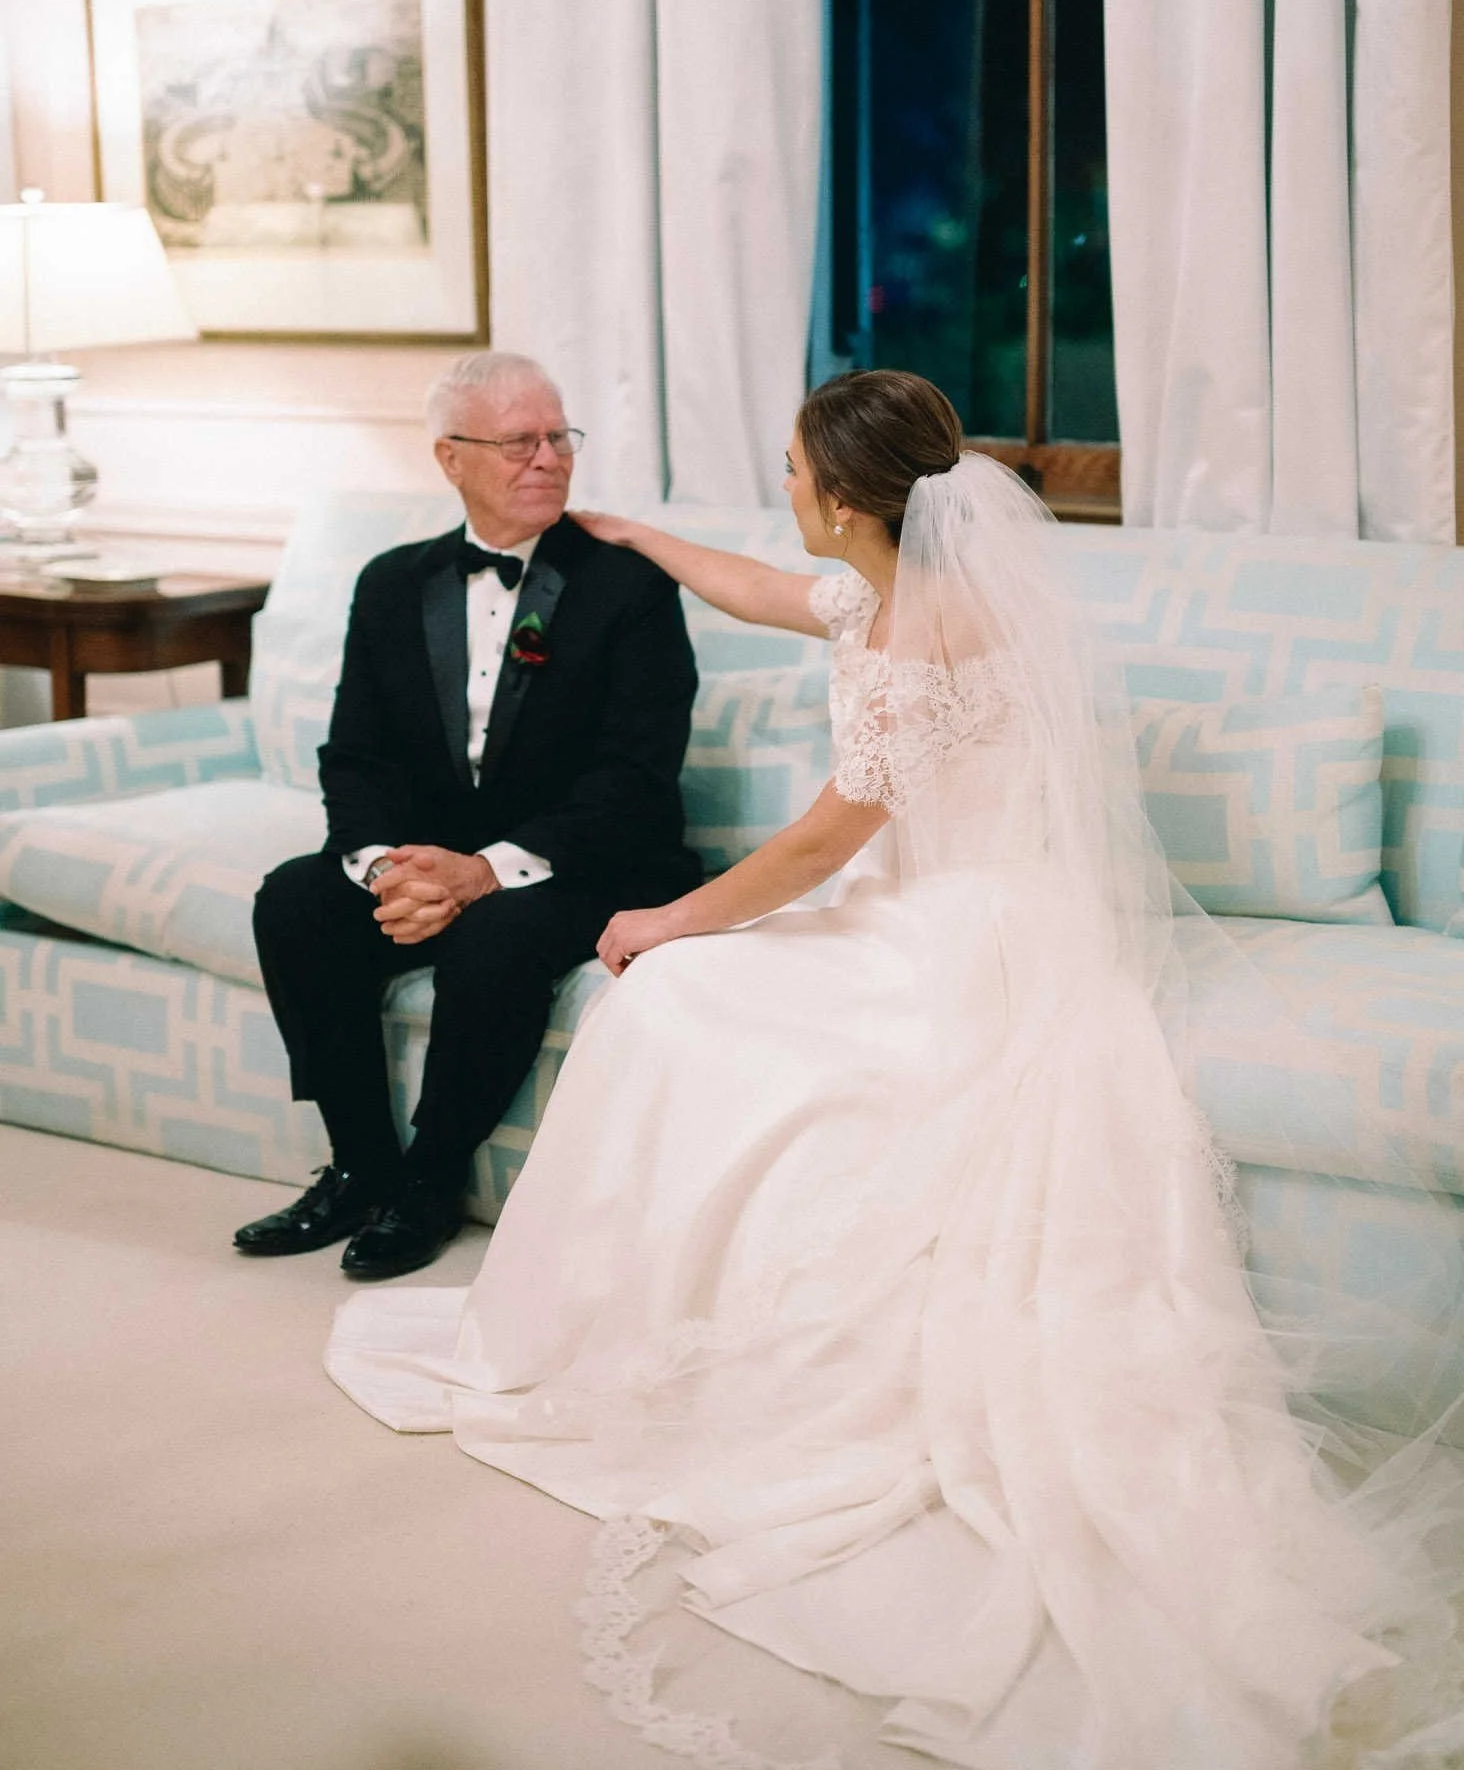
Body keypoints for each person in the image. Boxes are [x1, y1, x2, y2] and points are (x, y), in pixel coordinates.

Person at [327, 370, 1464, 1767]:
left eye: (794, 471)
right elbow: (761, 588)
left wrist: (668, 919)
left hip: (966, 933)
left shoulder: (927, 628)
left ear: (849, 500)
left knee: (672, 995)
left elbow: (824, 840)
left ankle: (659, 1328)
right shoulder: (885, 586)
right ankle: (626, 1301)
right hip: (924, 906)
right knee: (679, 1004)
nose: (785, 490)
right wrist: (632, 534)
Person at [236, 351, 701, 1281]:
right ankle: (361, 1167)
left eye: (559, 437)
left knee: (497, 936)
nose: (549, 459)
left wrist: (484, 872)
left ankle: (430, 1180)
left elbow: (634, 780)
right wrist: (386, 870)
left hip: (588, 863)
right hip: (437, 858)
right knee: (294, 899)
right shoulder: (390, 582)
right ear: (451, 457)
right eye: (520, 442)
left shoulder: (630, 587)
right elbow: (356, 756)